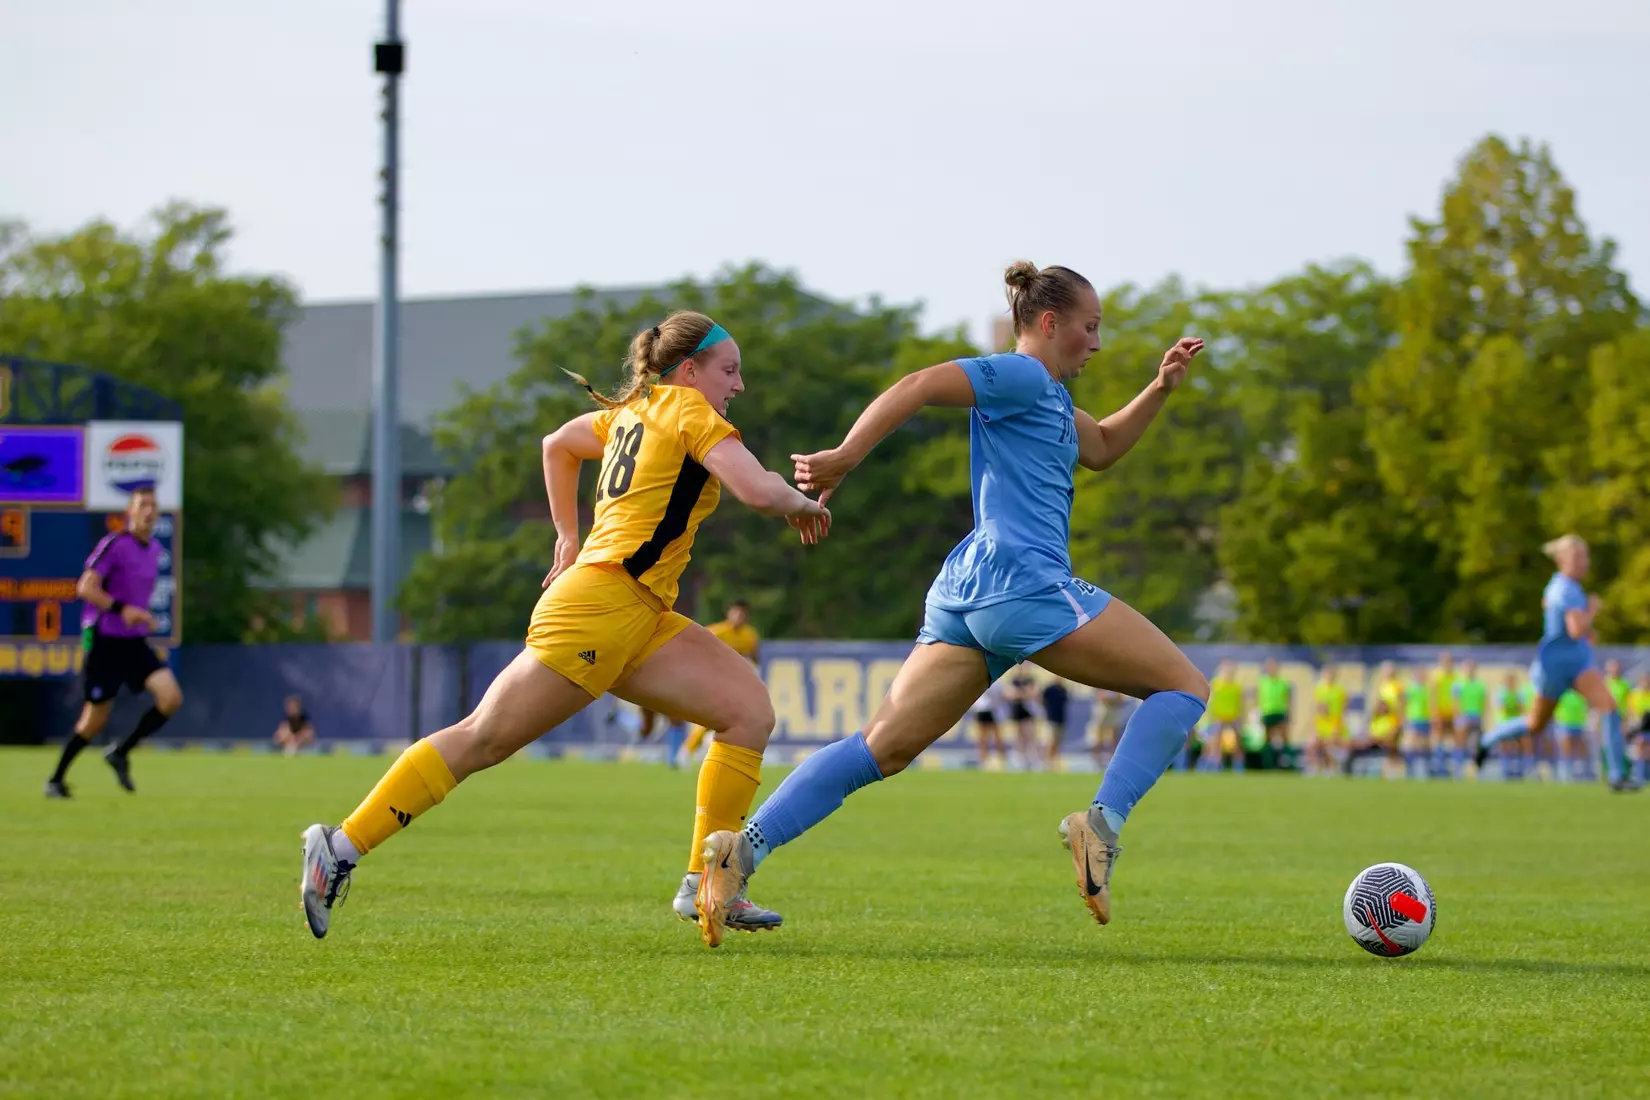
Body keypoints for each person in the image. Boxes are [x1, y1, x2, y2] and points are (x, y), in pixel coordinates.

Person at [694, 262, 1208, 940]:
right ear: (1049, 324)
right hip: (1022, 580)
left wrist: (1161, 387)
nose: (1098, 342)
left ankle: (741, 850)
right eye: (1091, 327)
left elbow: (1105, 446)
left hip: (971, 591)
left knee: (879, 748)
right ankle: (1100, 827)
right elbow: (919, 385)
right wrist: (847, 454)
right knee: (1184, 686)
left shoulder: (1051, 400)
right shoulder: (1023, 374)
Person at [297, 311, 831, 944]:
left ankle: (707, 883)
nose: (738, 385)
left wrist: (567, 537)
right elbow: (761, 492)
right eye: (730, 370)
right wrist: (805, 500)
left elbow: (557, 444)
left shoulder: (633, 411)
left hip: (638, 612)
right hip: (602, 608)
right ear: (689, 370)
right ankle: (340, 846)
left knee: (748, 712)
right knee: (482, 738)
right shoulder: (690, 412)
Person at [44, 486, 183, 798]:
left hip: (133, 642)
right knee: (94, 719)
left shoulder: (155, 551)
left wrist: (144, 616)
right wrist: (124, 609)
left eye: (153, 505)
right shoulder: (115, 544)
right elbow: (86, 587)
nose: (149, 510)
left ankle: (120, 751)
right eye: (142, 505)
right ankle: (55, 779)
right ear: (130, 513)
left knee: (170, 697)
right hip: (106, 641)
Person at [1475, 535, 1638, 792]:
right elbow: (1575, 629)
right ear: (1562, 560)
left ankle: (1618, 775)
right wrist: (1592, 612)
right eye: (1577, 558)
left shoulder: (1565, 587)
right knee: (1535, 724)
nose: (1584, 563)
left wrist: (1587, 627)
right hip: (1556, 665)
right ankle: (1487, 739)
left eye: (1585, 557)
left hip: (1577, 662)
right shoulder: (1564, 589)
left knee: (1608, 707)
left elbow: (1572, 627)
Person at [681, 599, 761, 760]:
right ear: (729, 613)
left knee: (731, 718)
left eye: (742, 613)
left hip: (734, 682)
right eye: (736, 612)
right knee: (714, 716)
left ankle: (705, 750)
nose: (739, 616)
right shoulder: (717, 632)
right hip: (714, 680)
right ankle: (688, 751)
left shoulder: (750, 635)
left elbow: (754, 658)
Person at [1341, 661, 1401, 778]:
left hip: (1388, 732)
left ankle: (1394, 770)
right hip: (1377, 734)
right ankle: (1347, 769)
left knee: (1391, 745)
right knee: (1353, 743)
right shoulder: (1382, 688)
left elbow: (1400, 709)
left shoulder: (1397, 687)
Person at [1200, 661, 1244, 773]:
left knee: (1237, 744)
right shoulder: (1216, 684)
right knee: (1215, 744)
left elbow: (1240, 704)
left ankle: (1238, 767)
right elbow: (1211, 701)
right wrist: (1210, 717)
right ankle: (1214, 767)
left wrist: (1240, 718)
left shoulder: (1236, 686)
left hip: (1232, 718)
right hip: (1218, 718)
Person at [1452, 658, 1489, 776]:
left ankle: (1474, 771)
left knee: (1475, 746)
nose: (1469, 670)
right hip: (1463, 717)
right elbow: (1455, 702)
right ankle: (1458, 769)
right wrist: (1460, 716)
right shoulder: (1458, 684)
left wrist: (1484, 717)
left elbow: (1484, 702)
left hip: (1476, 717)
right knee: (1460, 744)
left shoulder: (1480, 685)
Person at [1309, 665, 1347, 776]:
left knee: (1329, 745)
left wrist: (1339, 725)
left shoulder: (1339, 690)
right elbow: (1317, 706)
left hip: (1334, 723)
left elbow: (1343, 708)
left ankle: (1330, 768)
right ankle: (1315, 766)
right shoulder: (1319, 689)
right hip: (1322, 723)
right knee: (1313, 744)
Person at [1255, 658, 1292, 770]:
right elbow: (1259, 699)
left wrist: (1288, 712)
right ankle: (1267, 764)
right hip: (1267, 712)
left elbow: (1287, 699)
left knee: (1284, 738)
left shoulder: (1283, 682)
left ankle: (1286, 763)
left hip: (1280, 712)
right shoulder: (1262, 682)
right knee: (1267, 739)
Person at [1428, 651, 1460, 778]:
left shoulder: (1456, 677)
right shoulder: (1436, 675)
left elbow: (1457, 696)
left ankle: (1455, 767)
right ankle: (1439, 766)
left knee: (1456, 739)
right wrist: (1435, 713)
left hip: (1453, 713)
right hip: (1440, 712)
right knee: (1438, 738)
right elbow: (1433, 696)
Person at [1005, 664, 1041, 769]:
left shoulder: (1030, 680)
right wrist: (1023, 693)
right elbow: (1011, 695)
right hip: (1018, 709)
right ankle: (1019, 759)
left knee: (1029, 734)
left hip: (1028, 710)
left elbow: (1033, 694)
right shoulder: (1015, 680)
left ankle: (1033, 758)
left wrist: (1022, 694)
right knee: (1018, 735)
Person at [1551, 688, 1590, 782]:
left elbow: (1585, 708)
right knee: (1566, 750)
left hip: (1579, 724)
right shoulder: (1562, 694)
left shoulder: (1581, 694)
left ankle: (1584, 773)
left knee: (1582, 750)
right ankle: (1565, 774)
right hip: (1565, 724)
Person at [1039, 676, 1070, 768]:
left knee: (1058, 741)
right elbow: (1042, 700)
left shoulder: (1063, 689)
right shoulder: (1049, 689)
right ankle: (1047, 761)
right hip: (1052, 718)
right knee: (1051, 740)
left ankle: (1054, 760)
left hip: (1061, 719)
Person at [1630, 672, 1650, 784]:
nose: (1645, 684)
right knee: (1640, 749)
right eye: (1644, 682)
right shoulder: (1635, 695)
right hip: (1640, 727)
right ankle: (1639, 776)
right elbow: (1631, 711)